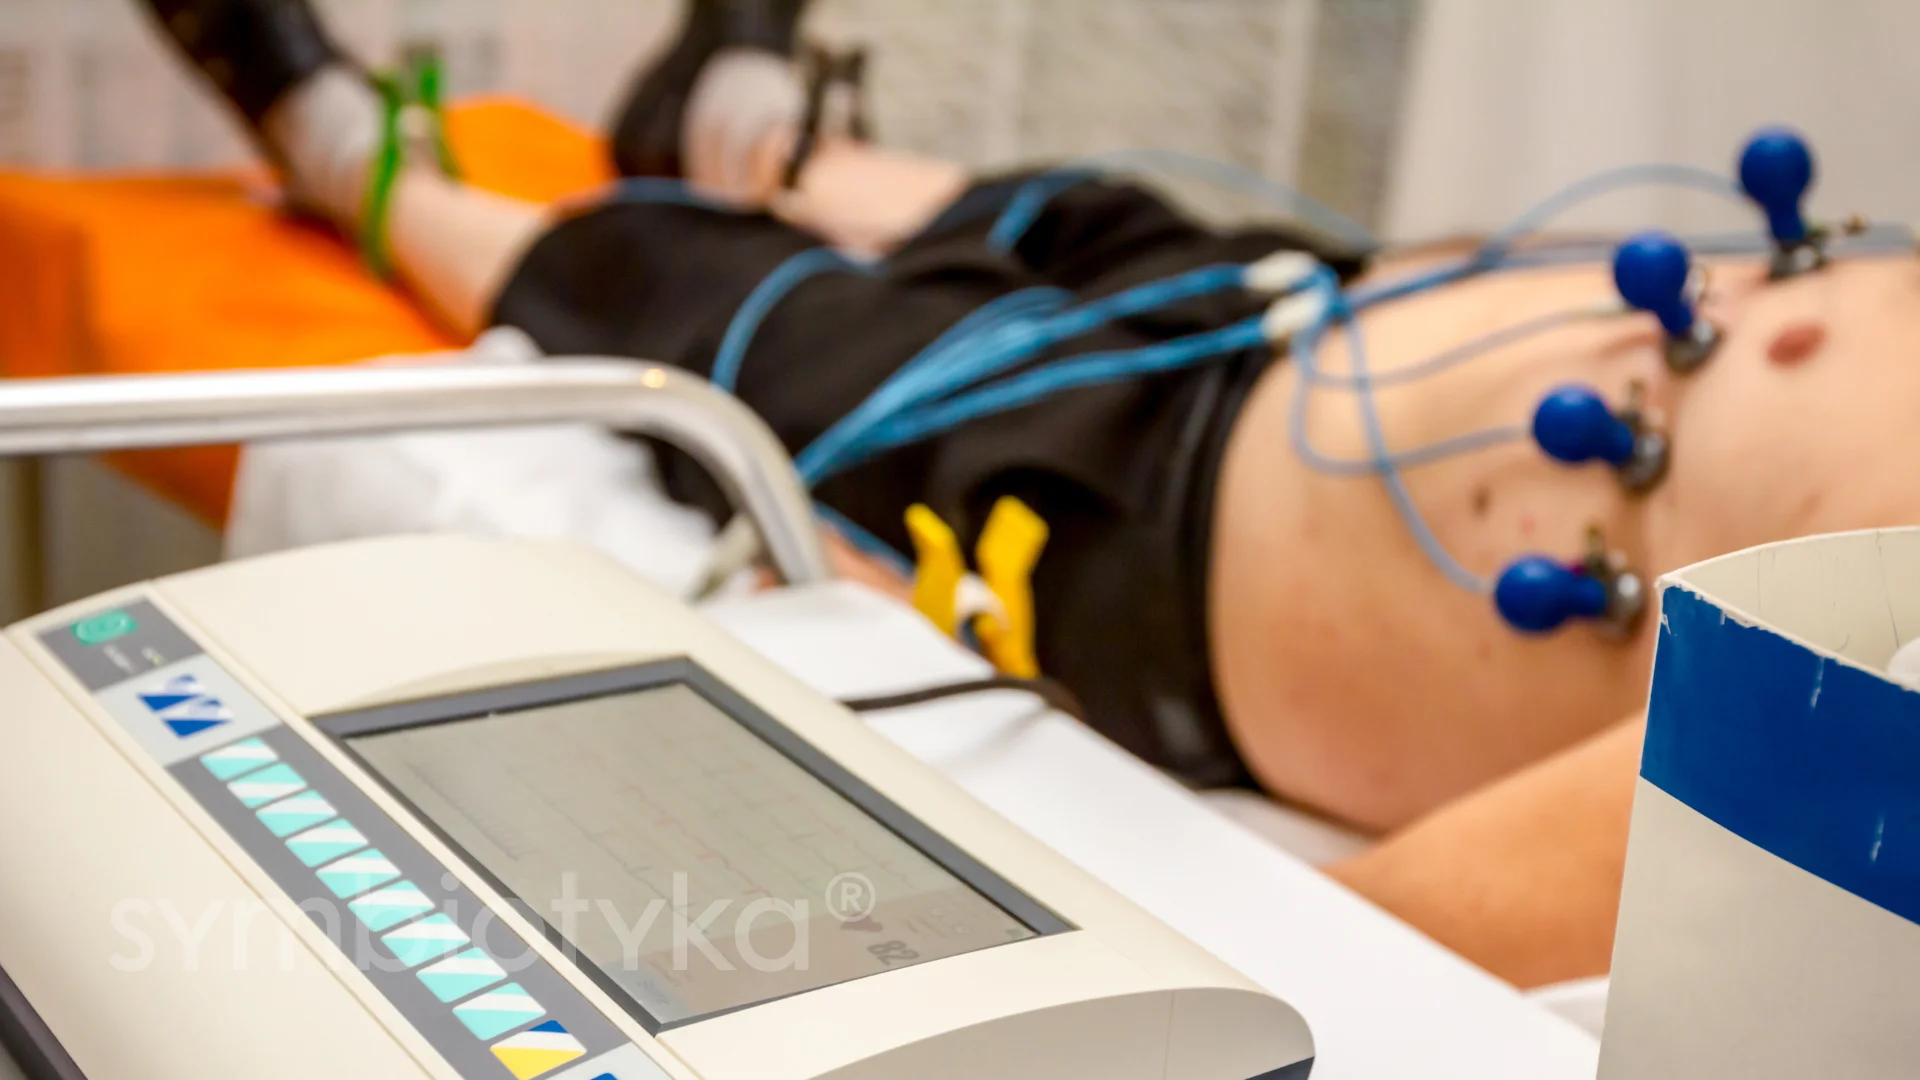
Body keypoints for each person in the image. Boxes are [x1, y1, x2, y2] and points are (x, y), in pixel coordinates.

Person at [141, 0, 1920, 988]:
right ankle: (743, 124)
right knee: (1060, 211)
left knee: (719, 306)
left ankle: (339, 149)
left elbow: (1604, 859)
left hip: (1141, 526)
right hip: (1303, 312)